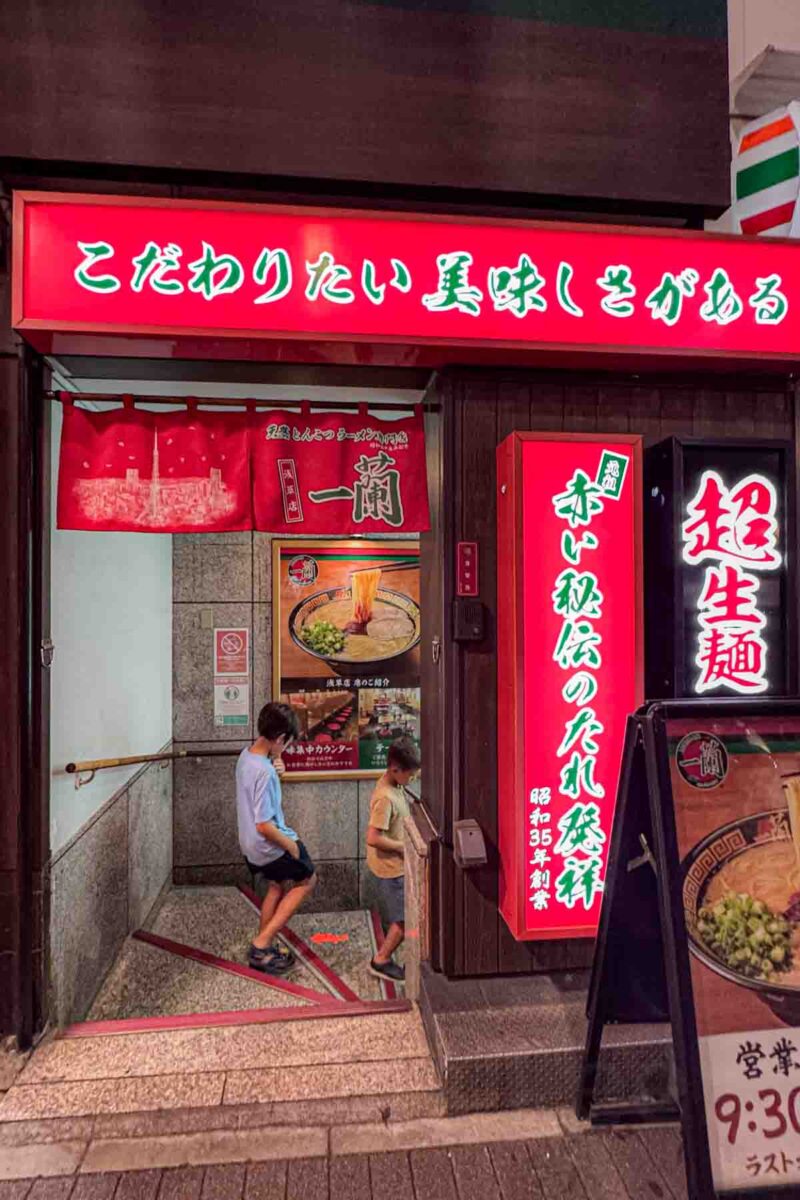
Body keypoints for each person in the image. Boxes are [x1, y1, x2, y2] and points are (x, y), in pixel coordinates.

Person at [236, 702, 316, 975]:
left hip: (249, 846)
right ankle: (261, 944)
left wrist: (274, 764)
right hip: (268, 846)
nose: (287, 747)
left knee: (276, 885)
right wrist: (292, 847)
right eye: (288, 743)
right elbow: (264, 825)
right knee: (308, 879)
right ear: (280, 738)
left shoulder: (246, 756)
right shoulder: (265, 772)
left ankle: (264, 946)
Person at [366, 736, 421, 983]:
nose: (413, 779)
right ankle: (381, 960)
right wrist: (403, 847)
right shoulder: (385, 797)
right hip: (391, 869)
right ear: (395, 769)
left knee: (403, 917)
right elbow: (373, 837)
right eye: (410, 774)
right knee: (403, 920)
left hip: (394, 866)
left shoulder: (394, 784)